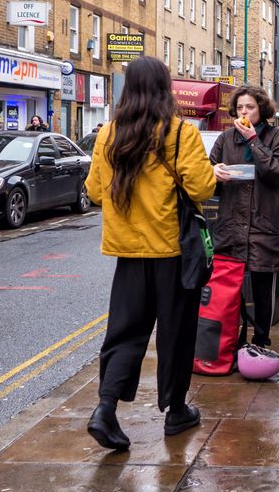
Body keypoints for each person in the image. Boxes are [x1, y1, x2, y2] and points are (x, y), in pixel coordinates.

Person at [84, 56, 216, 448]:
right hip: (172, 252)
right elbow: (202, 189)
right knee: (176, 334)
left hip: (129, 254)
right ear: (164, 89)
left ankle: (105, 410)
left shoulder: (109, 135)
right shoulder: (179, 134)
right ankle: (176, 411)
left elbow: (93, 191)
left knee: (124, 334)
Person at [210, 85, 279, 349]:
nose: (244, 112)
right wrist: (213, 173)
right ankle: (234, 344)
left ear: (261, 110)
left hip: (263, 227)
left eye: (250, 107)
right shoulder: (224, 140)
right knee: (230, 292)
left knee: (261, 289)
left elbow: (276, 171)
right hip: (232, 227)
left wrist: (253, 140)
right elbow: (207, 178)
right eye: (240, 108)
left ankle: (260, 342)